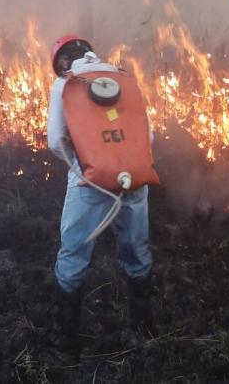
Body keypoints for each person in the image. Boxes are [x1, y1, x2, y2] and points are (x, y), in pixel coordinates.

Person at [46, 34, 155, 344]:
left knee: (73, 255)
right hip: (133, 178)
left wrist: (85, 168)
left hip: (89, 184)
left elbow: (55, 141)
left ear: (64, 61)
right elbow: (148, 136)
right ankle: (144, 330)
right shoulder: (124, 78)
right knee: (137, 251)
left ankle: (66, 344)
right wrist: (127, 166)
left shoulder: (65, 83)